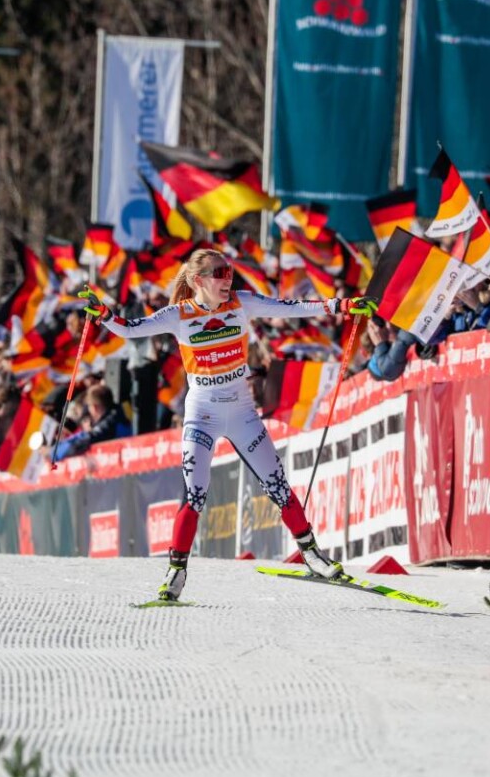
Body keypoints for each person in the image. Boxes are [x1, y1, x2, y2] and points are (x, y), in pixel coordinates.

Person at [79, 249, 375, 601]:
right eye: (219, 273)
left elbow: (291, 307)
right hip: (202, 414)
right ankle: (176, 571)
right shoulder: (179, 314)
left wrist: (341, 305)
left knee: (278, 485)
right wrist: (104, 315)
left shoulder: (241, 302)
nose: (228, 279)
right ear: (197, 280)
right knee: (196, 494)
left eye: (230, 272)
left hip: (242, 413)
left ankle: (312, 554)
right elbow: (131, 329)